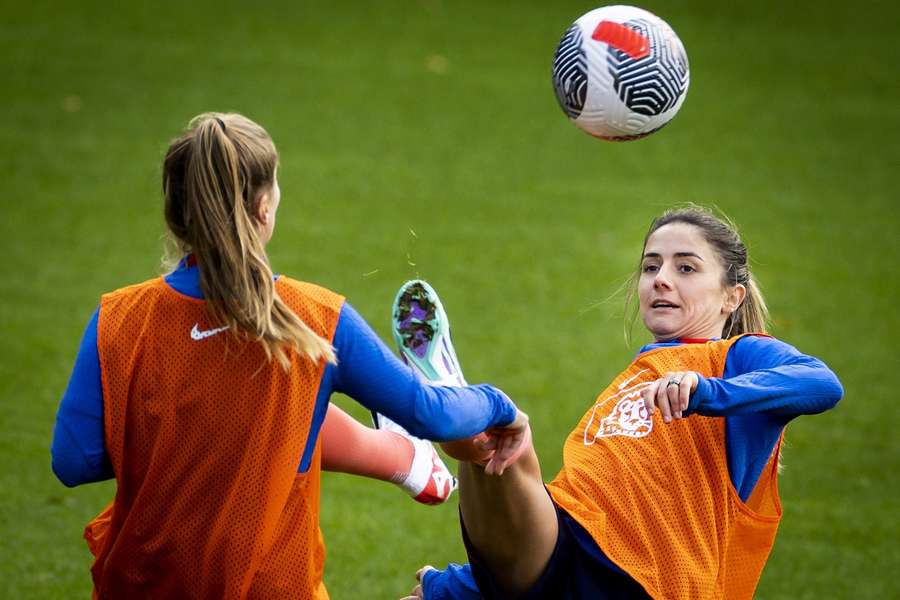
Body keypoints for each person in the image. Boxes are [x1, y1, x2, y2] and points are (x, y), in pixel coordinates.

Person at [50, 112, 529, 599]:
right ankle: (397, 453)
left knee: (269, 415)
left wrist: (182, 438)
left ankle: (395, 454)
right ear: (264, 208)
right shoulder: (313, 317)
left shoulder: (120, 317)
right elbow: (434, 415)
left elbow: (73, 461)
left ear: (174, 212)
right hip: (273, 588)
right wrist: (496, 404)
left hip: (139, 586)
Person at [400, 207, 843, 600]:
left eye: (686, 268)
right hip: (562, 552)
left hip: (646, 581)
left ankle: (434, 414)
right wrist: (456, 585)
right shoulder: (632, 378)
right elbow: (583, 506)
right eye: (651, 266)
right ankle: (450, 414)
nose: (661, 278)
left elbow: (821, 382)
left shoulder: (735, 357)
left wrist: (709, 392)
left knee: (503, 431)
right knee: (499, 442)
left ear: (732, 296)